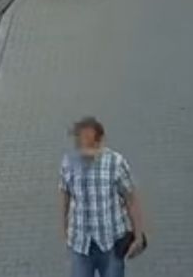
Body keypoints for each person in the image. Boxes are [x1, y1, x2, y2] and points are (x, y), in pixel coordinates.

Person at [60, 116, 147, 277]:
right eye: (80, 142)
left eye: (89, 142)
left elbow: (131, 200)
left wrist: (139, 235)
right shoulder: (69, 163)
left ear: (100, 141)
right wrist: (65, 228)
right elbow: (65, 194)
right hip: (80, 244)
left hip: (111, 243)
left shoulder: (116, 163)